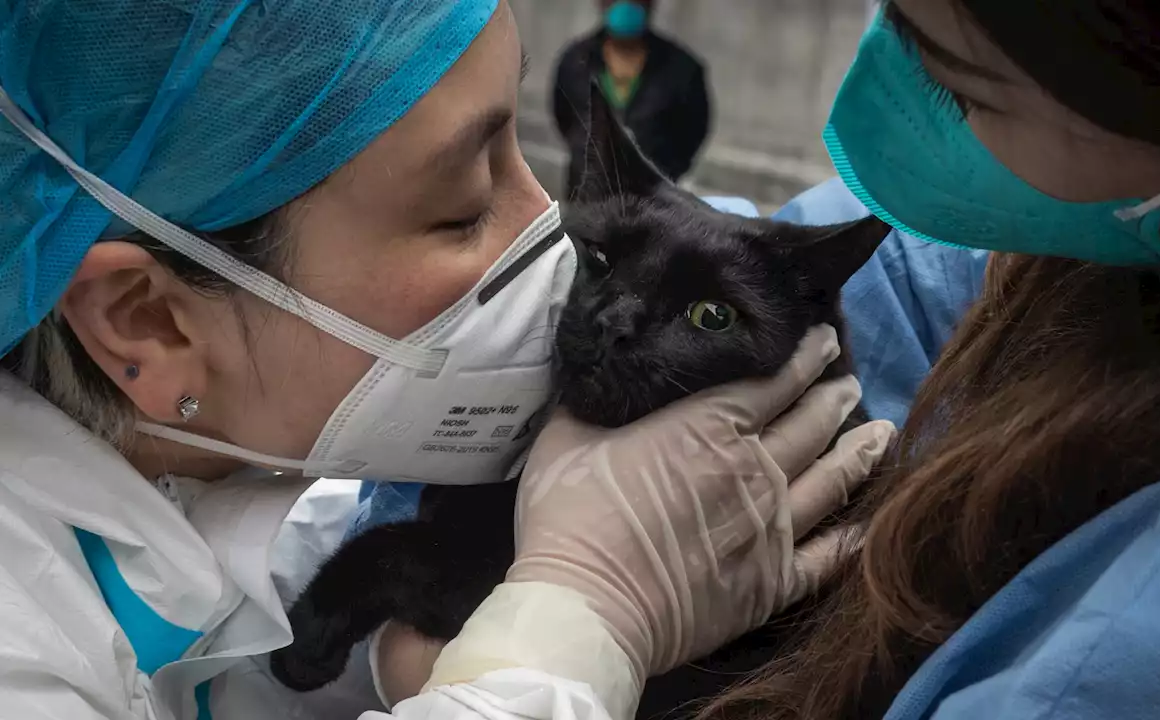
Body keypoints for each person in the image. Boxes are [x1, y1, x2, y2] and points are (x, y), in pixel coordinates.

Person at [366, 0, 1160, 718]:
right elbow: (779, 256)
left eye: (961, 90)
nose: (896, 91)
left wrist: (545, 647)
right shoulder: (1052, 236)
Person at [0, 1, 894, 719]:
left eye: (528, 163)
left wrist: (414, 655)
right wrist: (575, 626)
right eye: (464, 210)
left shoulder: (235, 484)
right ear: (147, 321)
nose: (547, 241)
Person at [552, 0, 711, 197]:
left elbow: (693, 131)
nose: (625, 4)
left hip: (652, 199)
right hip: (585, 195)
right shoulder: (575, 61)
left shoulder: (682, 69)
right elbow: (563, 116)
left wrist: (663, 171)